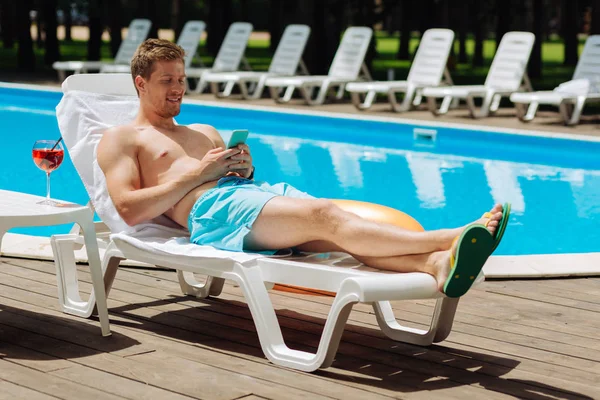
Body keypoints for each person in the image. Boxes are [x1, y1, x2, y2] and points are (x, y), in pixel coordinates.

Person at [98, 39, 507, 297]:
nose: (178, 89)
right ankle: (450, 237)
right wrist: (197, 175)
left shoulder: (203, 129)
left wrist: (243, 168)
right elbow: (128, 209)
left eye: (182, 79)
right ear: (140, 83)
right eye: (167, 80)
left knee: (342, 235)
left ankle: (434, 266)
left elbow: (238, 181)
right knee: (325, 215)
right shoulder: (122, 138)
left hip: (252, 199)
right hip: (212, 213)